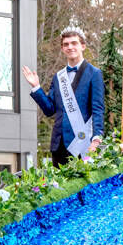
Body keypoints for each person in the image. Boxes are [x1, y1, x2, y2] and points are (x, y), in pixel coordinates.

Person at [22, 25, 105, 167]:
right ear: (62, 49)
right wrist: (36, 87)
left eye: (74, 43)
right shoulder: (58, 77)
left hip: (82, 143)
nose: (70, 47)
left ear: (83, 46)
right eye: (66, 44)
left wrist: (97, 138)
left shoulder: (94, 74)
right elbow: (49, 109)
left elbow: (98, 109)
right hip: (59, 143)